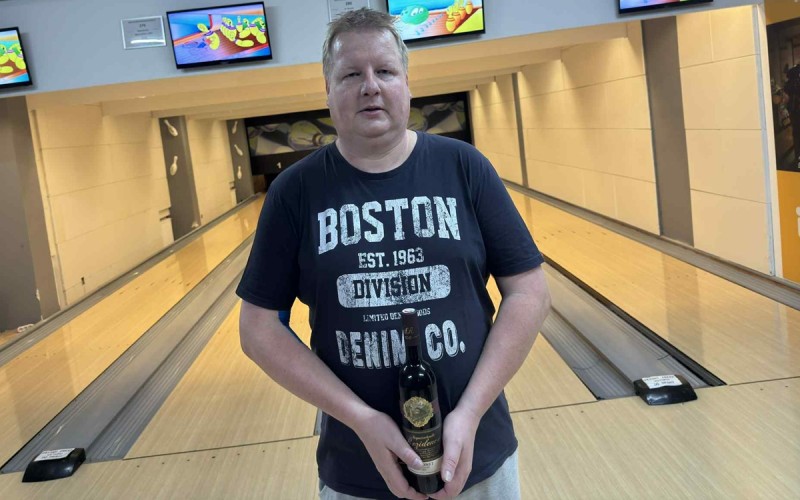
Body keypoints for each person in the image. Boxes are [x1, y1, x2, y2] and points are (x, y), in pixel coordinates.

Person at [237, 8, 550, 499]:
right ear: (328, 90)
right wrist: (361, 418)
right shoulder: (294, 192)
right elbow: (257, 330)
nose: (370, 86)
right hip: (356, 469)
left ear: (406, 83)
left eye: (384, 70)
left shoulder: (465, 167)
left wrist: (469, 413)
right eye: (350, 75)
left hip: (477, 453)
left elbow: (529, 292)